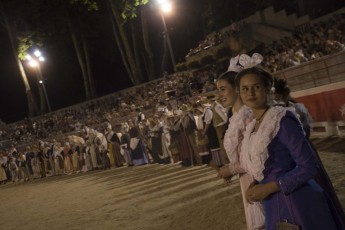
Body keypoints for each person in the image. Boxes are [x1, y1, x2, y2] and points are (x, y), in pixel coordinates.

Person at [236, 66, 340, 229]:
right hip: (272, 200)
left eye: (256, 87)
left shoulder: (281, 120)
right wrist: (256, 183)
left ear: (267, 88)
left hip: (296, 200)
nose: (250, 93)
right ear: (240, 93)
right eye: (245, 88)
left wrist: (270, 187)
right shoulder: (252, 127)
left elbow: (309, 166)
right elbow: (267, 164)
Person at [273, 77, 345, 229]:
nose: (275, 99)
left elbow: (305, 132)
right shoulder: (279, 112)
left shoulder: (295, 109)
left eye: (276, 96)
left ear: (281, 95)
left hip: (301, 154)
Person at [217, 54, 265, 230]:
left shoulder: (248, 116)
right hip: (245, 178)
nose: (219, 95)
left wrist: (229, 169)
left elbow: (254, 156)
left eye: (223, 89)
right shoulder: (235, 117)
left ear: (237, 89)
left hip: (257, 179)